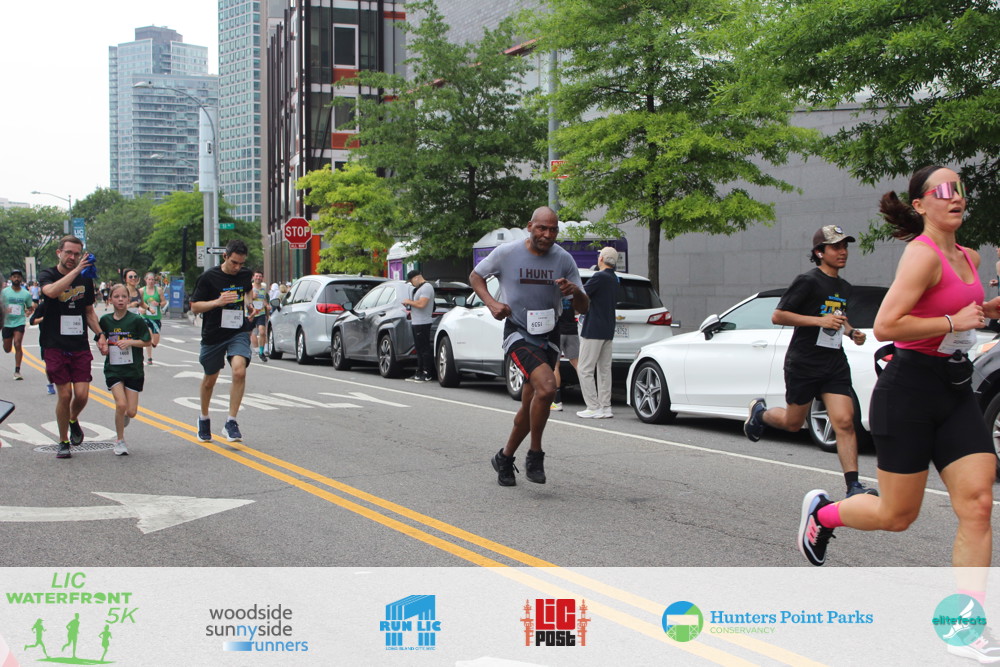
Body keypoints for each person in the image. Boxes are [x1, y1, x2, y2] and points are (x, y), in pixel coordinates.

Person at [796, 167, 1000, 660]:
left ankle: (966, 628)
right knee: (896, 515)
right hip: (908, 392)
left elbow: (965, 315)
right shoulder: (922, 255)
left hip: (954, 390)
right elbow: (887, 325)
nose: (955, 197)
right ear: (921, 205)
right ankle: (824, 514)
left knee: (978, 505)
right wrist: (951, 320)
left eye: (959, 189)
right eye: (943, 191)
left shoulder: (970, 257)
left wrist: (987, 311)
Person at [743, 225, 877, 498]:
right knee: (793, 423)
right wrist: (819, 321)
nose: (843, 252)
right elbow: (779, 315)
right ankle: (760, 413)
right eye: (836, 247)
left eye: (845, 246)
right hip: (804, 362)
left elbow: (837, 318)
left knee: (845, 422)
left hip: (834, 363)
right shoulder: (807, 281)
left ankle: (853, 486)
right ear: (819, 252)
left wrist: (851, 332)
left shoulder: (844, 287)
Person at [470, 206, 589, 486]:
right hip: (519, 332)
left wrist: (574, 292)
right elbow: (476, 276)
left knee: (530, 405)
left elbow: (584, 306)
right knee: (547, 388)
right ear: (529, 226)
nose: (547, 234)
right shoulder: (507, 252)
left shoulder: (563, 259)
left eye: (553, 230)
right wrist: (492, 303)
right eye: (541, 228)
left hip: (550, 333)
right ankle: (535, 454)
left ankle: (504, 457)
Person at [39, 236, 106, 459]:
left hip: (78, 343)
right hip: (54, 343)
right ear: (59, 252)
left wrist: (100, 334)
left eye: (77, 254)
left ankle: (72, 419)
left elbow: (89, 312)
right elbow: (51, 292)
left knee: (82, 394)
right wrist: (76, 271)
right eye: (68, 252)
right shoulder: (48, 274)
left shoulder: (85, 280)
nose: (72, 257)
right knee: (65, 394)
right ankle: (63, 441)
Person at [190, 239, 259, 443]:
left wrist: (250, 305)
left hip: (237, 331)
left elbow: (247, 291)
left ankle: (231, 422)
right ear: (225, 256)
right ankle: (204, 418)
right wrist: (217, 302)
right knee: (210, 379)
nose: (237, 267)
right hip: (213, 334)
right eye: (234, 262)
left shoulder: (244, 274)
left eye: (241, 263)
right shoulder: (208, 278)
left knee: (239, 371)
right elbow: (194, 307)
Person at [100, 283, 151, 456]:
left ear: (129, 299)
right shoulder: (105, 321)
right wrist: (103, 347)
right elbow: (101, 340)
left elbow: (147, 341)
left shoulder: (136, 320)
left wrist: (130, 342)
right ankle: (120, 440)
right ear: (110, 300)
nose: (120, 300)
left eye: (123, 296)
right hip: (114, 369)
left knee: (131, 411)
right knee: (121, 404)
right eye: (116, 297)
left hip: (133, 370)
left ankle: (123, 416)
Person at [576, 247, 620, 419]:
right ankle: (605, 407)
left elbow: (582, 295)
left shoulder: (599, 277)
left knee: (584, 368)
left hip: (593, 327)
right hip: (608, 328)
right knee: (604, 369)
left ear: (601, 259)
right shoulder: (615, 279)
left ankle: (593, 406)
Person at [402, 269, 435, 382]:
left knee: (424, 348)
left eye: (411, 281)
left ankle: (427, 372)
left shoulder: (427, 287)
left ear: (416, 277)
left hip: (423, 322)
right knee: (419, 348)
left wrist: (409, 301)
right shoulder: (419, 289)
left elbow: (422, 304)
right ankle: (419, 371)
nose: (411, 284)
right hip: (416, 322)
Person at [2, 268, 35, 380]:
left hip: (19, 322)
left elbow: (30, 307)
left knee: (17, 343)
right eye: (14, 276)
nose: (16, 278)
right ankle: (6, 343)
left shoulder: (26, 294)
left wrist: (28, 312)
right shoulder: (4, 292)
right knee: (7, 349)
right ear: (11, 278)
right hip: (7, 322)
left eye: (18, 277)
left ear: (21, 279)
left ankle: (17, 370)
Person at [550, 295, 580, 411]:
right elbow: (578, 311)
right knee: (577, 364)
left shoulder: (554, 295)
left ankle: (557, 401)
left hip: (558, 332)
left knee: (555, 366)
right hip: (572, 331)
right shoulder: (572, 295)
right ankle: (591, 398)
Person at [138, 272, 167, 365]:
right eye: (149, 279)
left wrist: (158, 304)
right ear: (145, 280)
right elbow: (137, 303)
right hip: (145, 317)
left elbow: (164, 302)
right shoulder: (141, 291)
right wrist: (140, 309)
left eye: (152, 280)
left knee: (155, 339)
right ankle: (149, 358)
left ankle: (153, 343)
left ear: (154, 281)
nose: (151, 281)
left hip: (156, 317)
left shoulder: (158, 290)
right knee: (148, 335)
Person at [29, 300, 56, 395]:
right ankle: (50, 383)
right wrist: (43, 318)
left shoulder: (64, 304)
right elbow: (32, 321)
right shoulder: (43, 306)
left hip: (63, 339)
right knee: (49, 366)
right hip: (46, 340)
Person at [248, 270, 270, 362]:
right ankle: (246, 350)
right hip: (251, 313)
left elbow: (263, 299)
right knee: (248, 333)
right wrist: (252, 297)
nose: (258, 278)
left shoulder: (263, 288)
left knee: (262, 332)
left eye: (260, 276)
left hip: (261, 313)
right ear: (253, 277)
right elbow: (245, 299)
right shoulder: (250, 287)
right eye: (256, 276)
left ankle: (261, 352)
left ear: (262, 278)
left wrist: (267, 305)